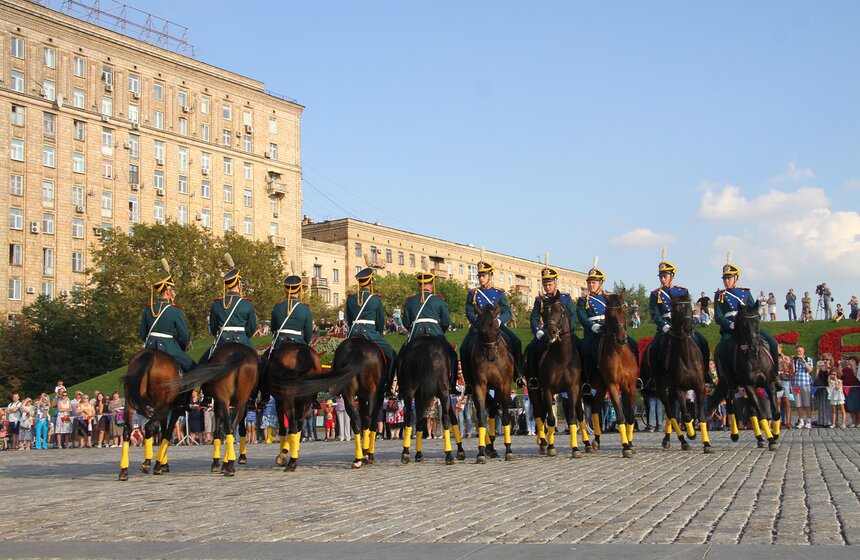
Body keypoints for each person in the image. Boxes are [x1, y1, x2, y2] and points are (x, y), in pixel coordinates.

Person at [459, 260, 523, 392]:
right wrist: (478, 321)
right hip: (478, 327)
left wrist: (499, 321)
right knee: (464, 348)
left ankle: (518, 375)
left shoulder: (498, 293)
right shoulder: (473, 293)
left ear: (490, 276)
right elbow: (469, 311)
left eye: (484, 275)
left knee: (517, 342)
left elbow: (506, 310)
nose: (481, 278)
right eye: (479, 276)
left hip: (496, 326)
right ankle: (469, 383)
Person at [713, 258, 780, 380]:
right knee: (722, 350)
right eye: (724, 278)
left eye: (729, 278)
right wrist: (730, 324)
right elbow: (718, 317)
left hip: (748, 327)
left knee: (773, 343)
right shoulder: (719, 295)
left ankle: (775, 375)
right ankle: (728, 380)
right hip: (731, 329)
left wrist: (754, 321)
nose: (726, 281)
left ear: (736, 278)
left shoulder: (745, 293)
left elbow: (755, 311)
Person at [576, 262, 638, 387]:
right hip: (593, 332)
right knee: (584, 349)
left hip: (610, 330)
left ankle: (636, 377)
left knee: (633, 344)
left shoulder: (609, 298)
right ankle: (587, 380)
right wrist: (591, 326)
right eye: (589, 282)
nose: (591, 285)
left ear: (601, 283)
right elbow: (581, 315)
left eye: (594, 282)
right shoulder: (583, 300)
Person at [648, 257, 709, 380]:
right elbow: (654, 313)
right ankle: (655, 377)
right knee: (653, 348)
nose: (663, 279)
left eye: (665, 276)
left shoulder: (682, 291)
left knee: (703, 342)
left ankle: (705, 373)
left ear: (672, 276)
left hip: (683, 326)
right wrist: (663, 325)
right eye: (661, 276)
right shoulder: (655, 294)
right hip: (666, 326)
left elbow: (688, 311)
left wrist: (688, 323)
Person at [401, 271, 458, 394]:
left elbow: (405, 322)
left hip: (416, 334)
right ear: (431, 285)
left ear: (419, 285)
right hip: (435, 333)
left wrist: (412, 329)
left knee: (400, 357)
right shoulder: (438, 300)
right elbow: (446, 321)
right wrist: (440, 333)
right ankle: (452, 386)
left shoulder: (410, 301)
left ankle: (401, 387)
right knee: (453, 356)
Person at [524, 266, 578, 391]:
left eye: (549, 284)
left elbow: (572, 314)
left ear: (555, 283)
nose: (547, 287)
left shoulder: (565, 298)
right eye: (545, 285)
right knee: (532, 348)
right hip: (546, 331)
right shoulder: (540, 300)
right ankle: (533, 378)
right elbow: (534, 318)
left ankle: (584, 379)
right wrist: (537, 331)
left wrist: (567, 330)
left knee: (580, 347)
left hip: (565, 333)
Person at [346, 267, 397, 392]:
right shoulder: (375, 299)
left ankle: (337, 388)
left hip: (353, 332)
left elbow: (350, 319)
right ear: (370, 282)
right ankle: (387, 386)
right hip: (369, 333)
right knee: (392, 355)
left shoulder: (350, 299)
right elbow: (379, 321)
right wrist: (379, 334)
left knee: (339, 355)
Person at [139, 260, 195, 374]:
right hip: (169, 348)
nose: (175, 293)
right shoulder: (175, 310)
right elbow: (184, 334)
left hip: (149, 348)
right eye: (173, 291)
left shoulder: (149, 309)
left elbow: (142, 333)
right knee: (194, 368)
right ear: (167, 292)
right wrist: (182, 346)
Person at [201, 254, 257, 364]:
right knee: (258, 365)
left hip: (222, 340)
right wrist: (245, 337)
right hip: (243, 340)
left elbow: (213, 327)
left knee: (202, 365)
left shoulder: (217, 304)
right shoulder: (247, 304)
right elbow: (251, 328)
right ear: (239, 284)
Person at [269, 275, 313, 351]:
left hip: (279, 342)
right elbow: (308, 333)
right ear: (299, 290)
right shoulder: (305, 308)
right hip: (298, 342)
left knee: (265, 359)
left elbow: (273, 329)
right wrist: (305, 343)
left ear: (285, 290)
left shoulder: (277, 306)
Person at [790, 346, 814, 428]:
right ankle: (801, 420)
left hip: (805, 383)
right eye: (797, 351)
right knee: (798, 404)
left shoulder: (808, 359)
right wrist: (792, 362)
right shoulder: (795, 360)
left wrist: (803, 361)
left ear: (803, 351)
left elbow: (810, 369)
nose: (798, 353)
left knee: (807, 403)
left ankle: (809, 420)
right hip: (796, 384)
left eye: (800, 351)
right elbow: (792, 371)